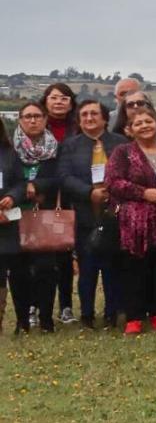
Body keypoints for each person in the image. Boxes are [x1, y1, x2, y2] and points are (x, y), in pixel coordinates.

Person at [106, 106, 156, 335]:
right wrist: (143, 193)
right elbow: (113, 182)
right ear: (130, 129)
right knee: (136, 270)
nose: (145, 126)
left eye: (149, 121)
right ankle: (134, 317)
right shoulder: (123, 152)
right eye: (139, 123)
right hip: (136, 223)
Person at [57, 99, 127, 327]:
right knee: (87, 269)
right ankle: (87, 314)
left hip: (114, 214)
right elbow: (65, 177)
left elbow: (128, 172)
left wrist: (113, 190)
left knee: (112, 267)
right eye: (84, 114)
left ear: (105, 118)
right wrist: (89, 192)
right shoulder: (70, 145)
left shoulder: (120, 143)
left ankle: (112, 313)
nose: (89, 118)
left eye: (94, 114)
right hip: (84, 214)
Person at [13, 101, 62, 332]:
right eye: (27, 116)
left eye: (37, 116)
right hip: (14, 215)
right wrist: (24, 189)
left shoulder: (56, 149)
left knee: (45, 268)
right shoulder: (9, 149)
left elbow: (61, 177)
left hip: (44, 215)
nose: (33, 121)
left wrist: (37, 185)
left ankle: (46, 319)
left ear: (45, 119)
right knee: (20, 270)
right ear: (20, 120)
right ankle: (23, 318)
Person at [41, 83, 78, 321]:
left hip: (70, 195)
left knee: (64, 250)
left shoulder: (78, 129)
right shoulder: (33, 127)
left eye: (64, 98)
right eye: (54, 98)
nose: (58, 102)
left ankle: (66, 306)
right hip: (39, 196)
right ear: (45, 101)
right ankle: (36, 305)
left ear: (71, 103)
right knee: (39, 252)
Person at [0, 117, 33, 333]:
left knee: (20, 275)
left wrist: (12, 197)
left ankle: (23, 322)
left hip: (10, 224)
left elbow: (21, 183)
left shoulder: (10, 154)